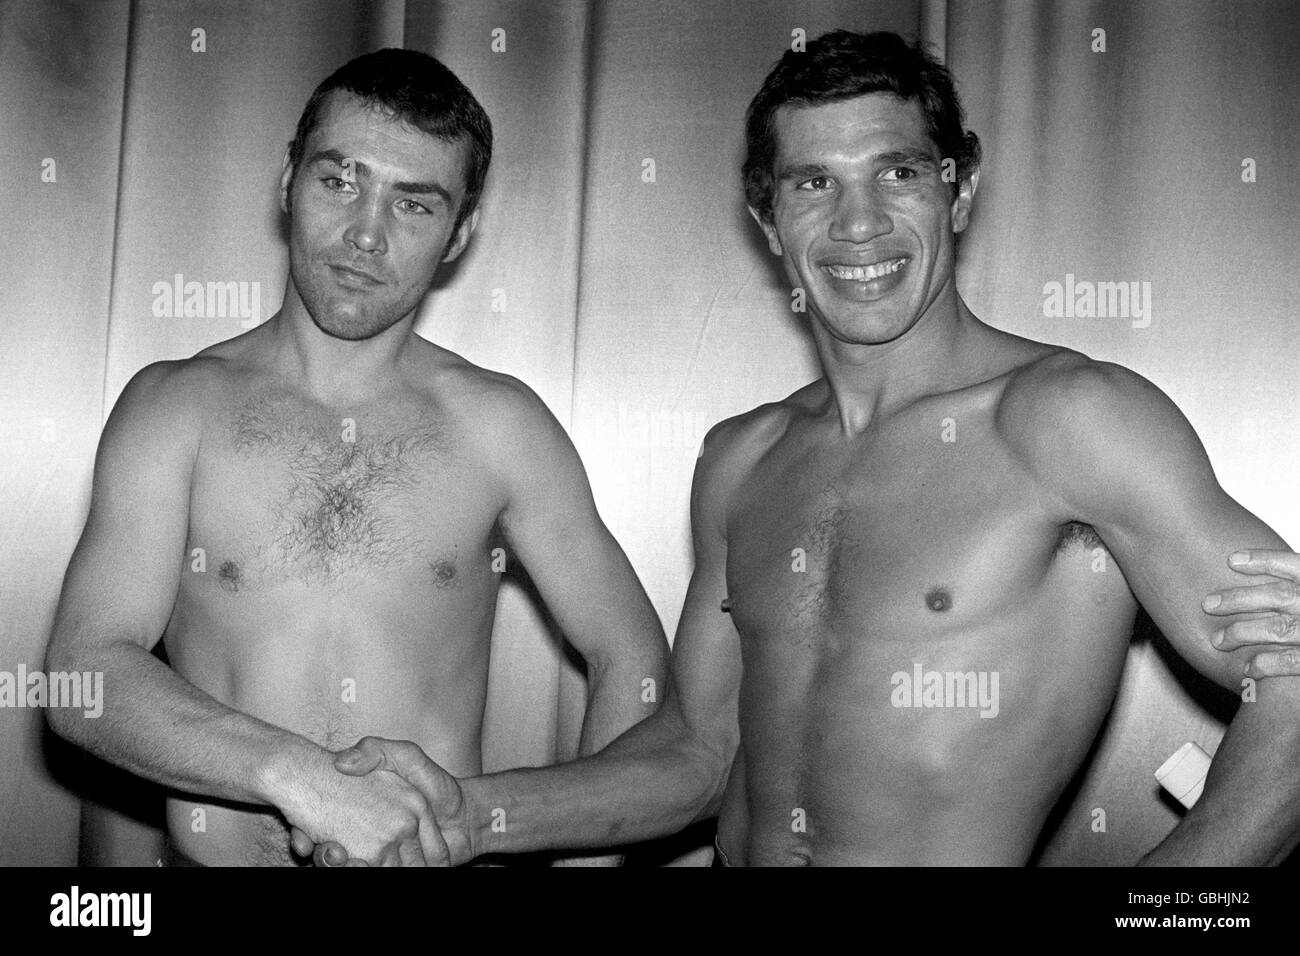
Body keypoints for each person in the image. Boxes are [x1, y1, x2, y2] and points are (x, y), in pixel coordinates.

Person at [303, 31, 1300, 867]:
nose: (857, 221)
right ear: (767, 217)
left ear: (960, 189)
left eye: (897, 173)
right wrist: (465, 812)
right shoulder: (742, 461)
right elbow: (698, 750)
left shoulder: (1069, 416)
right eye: (812, 182)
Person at [44, 48, 667, 867]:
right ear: (287, 183)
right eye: (339, 181)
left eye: (414, 204)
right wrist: (299, 777)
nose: (366, 236)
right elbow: (84, 676)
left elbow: (632, 657)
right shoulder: (174, 409)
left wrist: (584, 861)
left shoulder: (500, 427)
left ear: (460, 232)